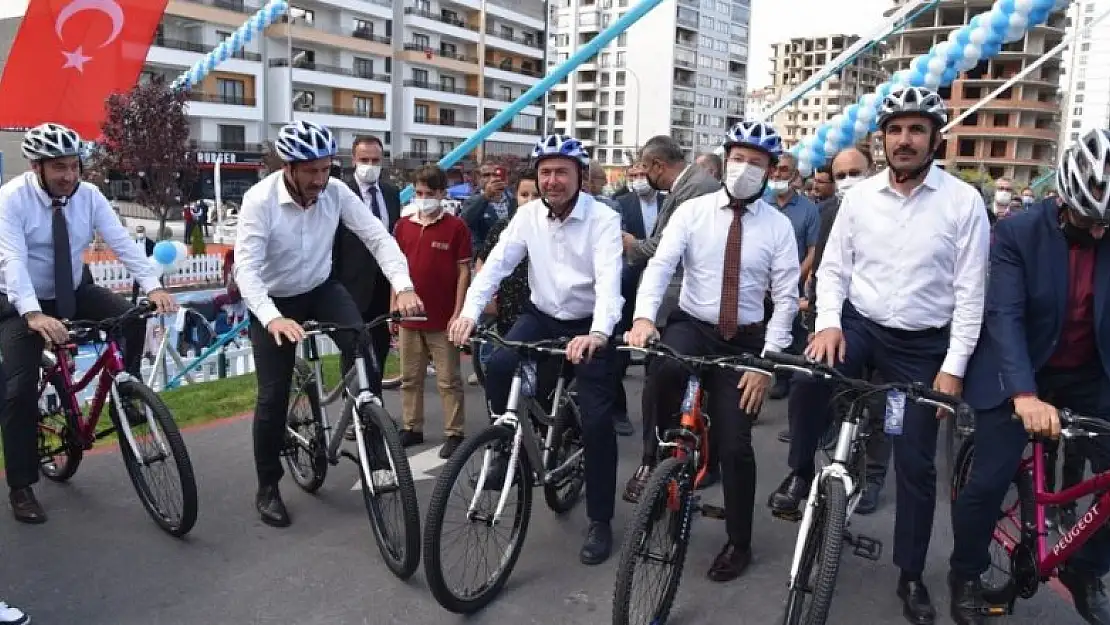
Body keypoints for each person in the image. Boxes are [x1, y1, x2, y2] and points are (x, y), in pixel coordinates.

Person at [766, 86, 991, 623]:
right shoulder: (859, 198)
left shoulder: (963, 203)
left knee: (913, 462)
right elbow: (835, 270)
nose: (905, 140)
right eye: (895, 130)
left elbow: (971, 295)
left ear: (936, 138)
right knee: (810, 374)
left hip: (921, 346)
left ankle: (910, 574)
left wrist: (952, 370)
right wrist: (826, 325)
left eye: (916, 130)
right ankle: (800, 472)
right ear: (883, 139)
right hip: (861, 326)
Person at [627, 119, 800, 582]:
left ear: (769, 170)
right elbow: (662, 265)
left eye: (757, 162)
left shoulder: (779, 227)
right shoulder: (693, 211)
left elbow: (785, 299)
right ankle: (654, 464)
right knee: (661, 371)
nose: (745, 168)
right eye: (738, 159)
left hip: (743, 340)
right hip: (692, 324)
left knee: (736, 446)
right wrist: (644, 316)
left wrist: (766, 363)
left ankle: (738, 543)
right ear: (726, 160)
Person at [949, 128, 1110, 625]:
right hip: (1018, 368)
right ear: (1063, 198)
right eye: (1088, 220)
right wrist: (1023, 394)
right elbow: (1005, 316)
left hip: (1087, 371)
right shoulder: (1019, 232)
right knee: (990, 479)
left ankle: (1086, 569)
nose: (1099, 232)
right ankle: (966, 572)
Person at [234, 121, 422, 528]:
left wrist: (403, 286)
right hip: (274, 298)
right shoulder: (259, 200)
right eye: (311, 171)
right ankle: (268, 487)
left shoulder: (336, 192)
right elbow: (245, 270)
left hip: (320, 287)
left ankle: (374, 447)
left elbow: (378, 237)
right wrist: (272, 317)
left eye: (326, 169)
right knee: (272, 396)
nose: (320, 179)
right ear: (289, 168)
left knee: (363, 351)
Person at [447, 134, 624, 566]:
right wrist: (469, 312)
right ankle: (506, 448)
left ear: (580, 176)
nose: (552, 180)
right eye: (545, 171)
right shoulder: (527, 216)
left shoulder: (602, 219)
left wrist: (598, 335)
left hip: (588, 323)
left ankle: (600, 520)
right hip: (542, 314)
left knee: (599, 422)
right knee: (500, 361)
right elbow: (495, 268)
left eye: (562, 171)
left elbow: (608, 286)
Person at [0, 123, 177, 524]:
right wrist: (33, 314)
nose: (68, 175)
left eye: (74, 166)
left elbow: (123, 243)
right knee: (18, 392)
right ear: (36, 167)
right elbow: (12, 262)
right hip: (17, 298)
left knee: (131, 320)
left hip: (72, 289)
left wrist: (152, 286)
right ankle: (22, 486)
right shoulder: (11, 200)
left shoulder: (89, 195)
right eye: (58, 167)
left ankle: (124, 395)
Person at [393, 165, 471, 459]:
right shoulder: (403, 227)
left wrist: (458, 312)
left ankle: (455, 432)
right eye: (419, 193)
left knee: (448, 379)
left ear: (442, 193)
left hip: (442, 318)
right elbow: (396, 268)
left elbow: (464, 272)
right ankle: (412, 426)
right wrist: (394, 306)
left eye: (429, 193)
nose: (423, 198)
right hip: (409, 316)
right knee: (409, 377)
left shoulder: (456, 227)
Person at [332, 135, 402, 399]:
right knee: (352, 350)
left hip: (383, 287)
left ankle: (375, 405)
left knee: (380, 347)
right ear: (354, 160)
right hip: (350, 287)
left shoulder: (392, 194)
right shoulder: (339, 193)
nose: (370, 165)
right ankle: (354, 410)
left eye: (375, 160)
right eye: (364, 160)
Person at [612, 163, 665, 436]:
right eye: (632, 176)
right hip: (629, 277)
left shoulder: (669, 200)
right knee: (622, 334)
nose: (637, 180)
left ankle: (654, 394)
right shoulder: (620, 202)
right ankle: (619, 411)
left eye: (641, 175)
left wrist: (641, 245)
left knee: (657, 340)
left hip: (661, 280)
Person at [764, 152, 820, 403]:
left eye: (784, 170)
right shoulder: (762, 205)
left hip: (793, 284)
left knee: (792, 333)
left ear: (795, 174)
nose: (777, 174)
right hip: (761, 285)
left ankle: (785, 378)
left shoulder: (809, 210)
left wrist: (795, 276)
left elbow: (813, 250)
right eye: (774, 169)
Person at [462, 159, 516, 253]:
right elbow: (466, 222)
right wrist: (486, 196)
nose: (492, 178)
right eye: (486, 175)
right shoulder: (472, 200)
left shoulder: (513, 199)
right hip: (483, 256)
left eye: (495, 175)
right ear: (479, 178)